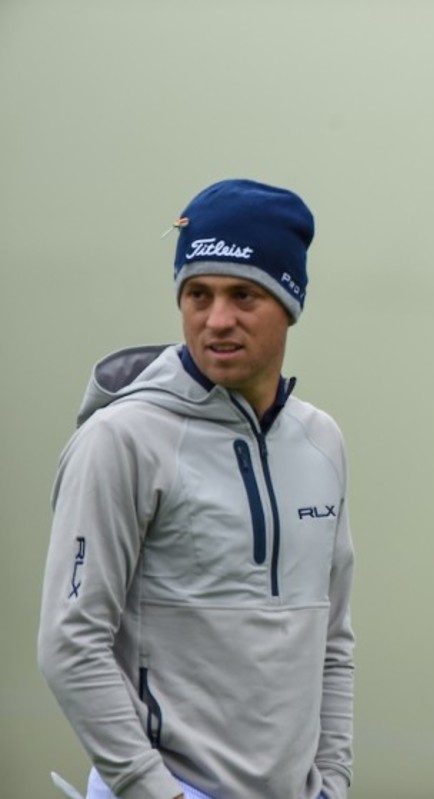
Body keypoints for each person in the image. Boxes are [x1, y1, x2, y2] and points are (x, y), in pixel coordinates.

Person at [38, 179, 356, 799]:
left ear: (289, 304)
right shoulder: (121, 439)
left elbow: (333, 639)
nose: (217, 320)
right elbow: (69, 643)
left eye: (244, 295)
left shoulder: (322, 442)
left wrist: (335, 782)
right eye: (197, 294)